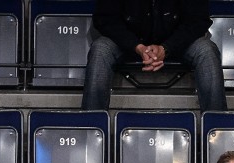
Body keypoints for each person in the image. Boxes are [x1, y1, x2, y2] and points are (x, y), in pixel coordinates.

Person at [82, 0, 226, 112]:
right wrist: (137, 47)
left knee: (207, 51)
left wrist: (166, 48)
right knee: (100, 49)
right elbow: (105, 20)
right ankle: (91, 129)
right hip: (127, 44)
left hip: (178, 44)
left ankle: (216, 131)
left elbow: (198, 21)